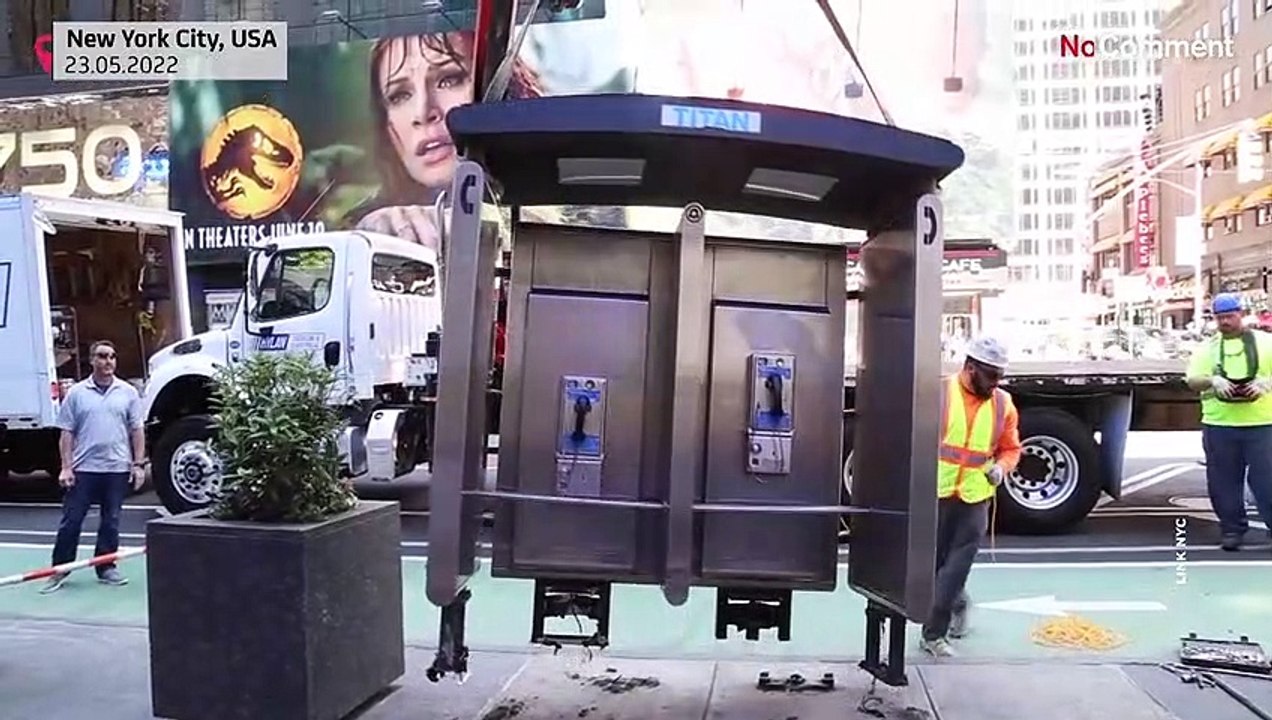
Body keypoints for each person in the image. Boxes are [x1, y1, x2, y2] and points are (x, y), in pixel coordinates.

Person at [355, 30, 543, 250]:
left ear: (504, 90)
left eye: (448, 80)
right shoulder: (361, 229)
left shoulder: (576, 206)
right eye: (400, 95)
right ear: (386, 125)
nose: (423, 112)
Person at [920, 335, 1022, 658]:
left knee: (956, 567)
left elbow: (1011, 449)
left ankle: (933, 635)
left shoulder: (1003, 404)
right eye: (990, 375)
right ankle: (958, 601)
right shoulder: (939, 394)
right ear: (970, 367)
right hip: (936, 491)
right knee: (935, 567)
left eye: (999, 376)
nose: (996, 383)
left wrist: (1003, 469)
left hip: (975, 497)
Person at [40, 340, 147, 594]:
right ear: (92, 360)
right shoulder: (77, 393)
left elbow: (137, 431)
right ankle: (59, 570)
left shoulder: (128, 392)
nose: (108, 361)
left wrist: (138, 464)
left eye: (112, 356)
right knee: (72, 521)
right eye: (102, 356)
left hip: (117, 469)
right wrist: (66, 467)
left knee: (111, 521)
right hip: (84, 469)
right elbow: (66, 433)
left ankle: (106, 567)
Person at [1185, 292, 1272, 551]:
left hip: (1263, 424)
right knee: (1224, 482)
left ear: (1241, 315)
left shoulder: (1266, 343)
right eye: (1220, 317)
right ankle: (1232, 530)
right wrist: (1213, 380)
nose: (1225, 322)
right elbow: (1192, 380)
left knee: (1267, 480)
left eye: (1230, 316)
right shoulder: (1208, 349)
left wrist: (1265, 384)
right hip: (1220, 425)